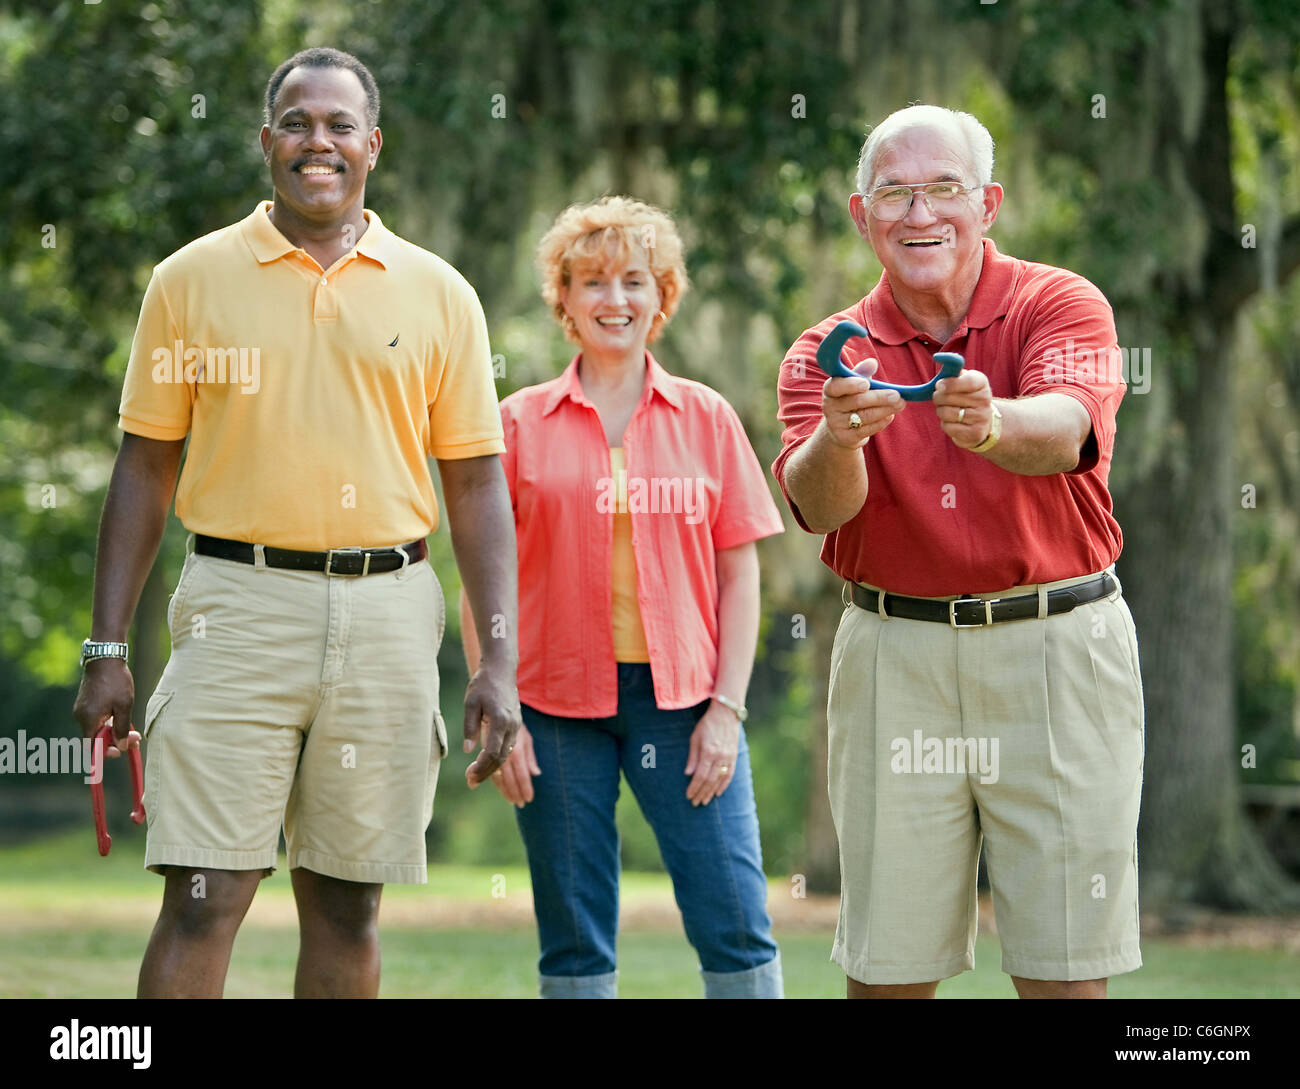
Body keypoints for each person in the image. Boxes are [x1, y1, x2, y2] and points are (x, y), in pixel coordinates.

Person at [71, 47, 521, 999]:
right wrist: (105, 645)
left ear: (373, 146)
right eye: (298, 123)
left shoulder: (441, 292)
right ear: (265, 141)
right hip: (235, 605)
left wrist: (498, 661)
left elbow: (477, 484)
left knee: (350, 903)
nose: (319, 142)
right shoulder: (188, 280)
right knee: (204, 893)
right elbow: (144, 466)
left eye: (340, 125)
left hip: (392, 611)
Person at [773, 105, 1144, 999]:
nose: (918, 213)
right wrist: (839, 439)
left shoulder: (1059, 301)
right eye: (893, 193)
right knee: (888, 972)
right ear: (862, 218)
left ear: (989, 204)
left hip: (1057, 647)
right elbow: (819, 509)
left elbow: (1067, 428)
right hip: (896, 659)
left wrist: (992, 424)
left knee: (1064, 972)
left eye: (943, 188)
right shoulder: (824, 349)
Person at [462, 196, 785, 998]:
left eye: (634, 280)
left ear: (662, 295)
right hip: (551, 704)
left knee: (734, 913)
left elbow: (741, 574)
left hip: (686, 703)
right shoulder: (518, 422)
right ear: (564, 299)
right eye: (593, 281)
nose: (616, 299)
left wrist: (727, 710)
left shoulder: (706, 416)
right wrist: (501, 712)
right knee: (572, 937)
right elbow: (482, 581)